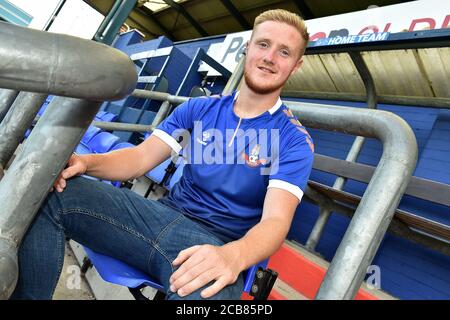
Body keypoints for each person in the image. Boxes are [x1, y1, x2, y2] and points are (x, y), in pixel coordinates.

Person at [11, 9, 314, 300]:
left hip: (213, 243)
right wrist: (86, 162)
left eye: (284, 52)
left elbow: (276, 221)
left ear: (297, 65)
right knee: (52, 191)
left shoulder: (293, 140)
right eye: (263, 44)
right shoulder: (200, 109)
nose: (270, 58)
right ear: (248, 47)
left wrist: (233, 256)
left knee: (211, 289)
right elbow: (140, 159)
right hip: (158, 217)